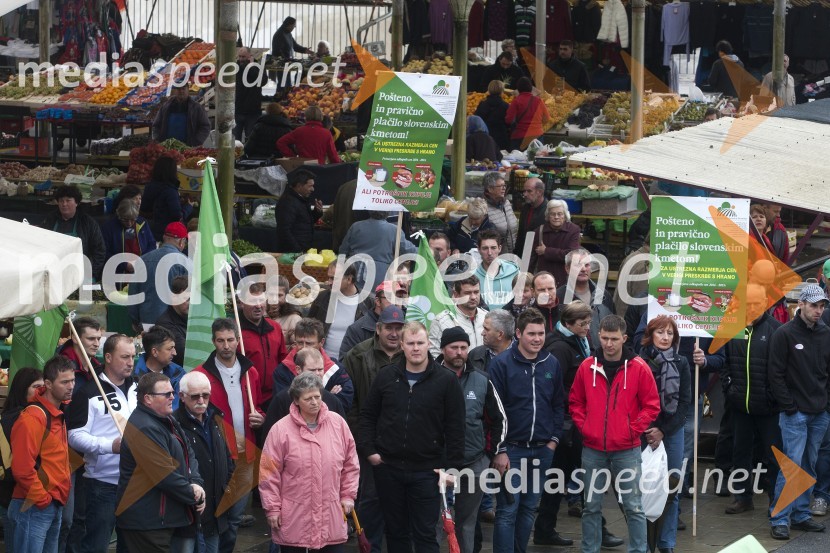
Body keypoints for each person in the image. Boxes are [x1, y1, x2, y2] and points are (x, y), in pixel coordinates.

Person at [358, 321, 465, 553]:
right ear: (402, 346)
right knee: (396, 533)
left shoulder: (446, 380)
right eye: (410, 343)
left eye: (420, 343)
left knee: (426, 534)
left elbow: (456, 428)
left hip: (428, 471)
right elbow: (367, 416)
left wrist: (451, 468)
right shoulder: (386, 376)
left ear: (429, 345)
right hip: (389, 468)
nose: (416, 348)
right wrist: (370, 451)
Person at [534, 301, 623, 548]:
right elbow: (553, 386)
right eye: (583, 324)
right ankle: (598, 531)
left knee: (559, 480)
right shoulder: (562, 348)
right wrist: (576, 404)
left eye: (588, 323)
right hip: (569, 424)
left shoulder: (577, 342)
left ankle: (544, 529)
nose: (587, 328)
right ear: (568, 324)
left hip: (574, 423)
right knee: (585, 478)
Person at [569, 315, 661, 553]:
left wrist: (632, 429)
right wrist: (586, 427)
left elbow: (651, 405)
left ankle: (639, 550)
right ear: (598, 336)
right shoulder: (586, 365)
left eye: (614, 339)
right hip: (593, 447)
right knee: (591, 505)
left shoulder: (639, 368)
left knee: (634, 506)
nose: (609, 344)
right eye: (605, 338)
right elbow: (575, 402)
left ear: (624, 338)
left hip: (626, 449)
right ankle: (590, 549)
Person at [488, 308, 565, 553]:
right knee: (508, 510)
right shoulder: (501, 365)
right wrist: (499, 450)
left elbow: (558, 404)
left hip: (543, 450)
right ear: (519, 333)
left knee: (529, 508)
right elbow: (492, 412)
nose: (537, 339)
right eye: (531, 333)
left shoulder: (550, 362)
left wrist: (553, 440)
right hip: (511, 451)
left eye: (541, 333)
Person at [260, 371, 359, 553]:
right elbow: (269, 473)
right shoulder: (280, 430)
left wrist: (347, 496)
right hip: (295, 518)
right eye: (308, 398)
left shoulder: (338, 424)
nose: (315, 402)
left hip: (331, 516)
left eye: (317, 396)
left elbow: (350, 465)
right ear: (296, 401)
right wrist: (272, 508)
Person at [193, 318, 265, 553]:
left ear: (238, 340)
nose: (226, 345)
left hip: (245, 455)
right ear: (213, 341)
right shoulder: (200, 375)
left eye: (230, 340)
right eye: (221, 340)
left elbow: (258, 406)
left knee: (234, 519)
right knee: (214, 516)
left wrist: (260, 417)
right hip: (217, 456)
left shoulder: (250, 371)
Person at [115, 372, 206, 552]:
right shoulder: (144, 427)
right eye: (166, 394)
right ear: (148, 398)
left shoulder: (167, 419)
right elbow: (164, 475)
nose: (172, 396)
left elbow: (189, 453)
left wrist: (196, 483)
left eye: (172, 392)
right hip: (146, 522)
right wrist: (193, 496)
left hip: (164, 519)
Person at [768, 284, 830, 540]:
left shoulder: (826, 334)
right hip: (795, 413)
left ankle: (801, 514)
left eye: (822, 306)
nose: (818, 310)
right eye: (814, 305)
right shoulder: (784, 334)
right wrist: (789, 407)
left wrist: (826, 405)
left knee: (808, 465)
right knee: (791, 466)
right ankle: (780, 517)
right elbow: (775, 374)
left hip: (819, 411)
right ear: (801, 304)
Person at [65, 334, 138, 553]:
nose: (130, 362)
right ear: (108, 357)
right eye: (124, 357)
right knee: (96, 544)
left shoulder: (138, 388)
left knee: (132, 545)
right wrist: (110, 446)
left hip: (135, 482)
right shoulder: (88, 392)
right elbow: (74, 435)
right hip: (102, 484)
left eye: (133, 356)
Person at [437, 327, 506, 553]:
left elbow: (499, 419)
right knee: (437, 522)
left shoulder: (481, 380)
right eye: (453, 347)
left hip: (473, 462)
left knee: (467, 523)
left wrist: (490, 453)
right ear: (442, 348)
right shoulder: (429, 377)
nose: (459, 352)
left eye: (463, 347)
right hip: (436, 464)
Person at [719, 283, 782, 515]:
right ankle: (742, 497)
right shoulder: (733, 328)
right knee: (740, 453)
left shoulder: (776, 330)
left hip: (768, 408)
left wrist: (772, 397)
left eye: (757, 304)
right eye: (748, 304)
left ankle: (776, 501)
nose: (753, 308)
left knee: (774, 456)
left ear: (765, 304)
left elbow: (782, 369)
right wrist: (730, 389)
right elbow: (724, 362)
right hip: (740, 405)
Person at [8, 356, 74, 553]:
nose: (71, 386)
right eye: (64, 382)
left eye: (72, 380)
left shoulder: (56, 410)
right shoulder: (32, 417)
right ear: (48, 384)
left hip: (49, 503)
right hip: (35, 505)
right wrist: (43, 499)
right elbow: (22, 469)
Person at [638, 316, 691, 553]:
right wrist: (650, 430)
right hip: (644, 431)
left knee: (672, 486)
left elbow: (684, 403)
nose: (666, 337)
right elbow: (635, 401)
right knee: (645, 487)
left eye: (670, 333)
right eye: (660, 332)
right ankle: (644, 542)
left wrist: (663, 430)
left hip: (672, 430)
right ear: (651, 334)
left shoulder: (681, 362)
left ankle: (666, 543)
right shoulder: (639, 361)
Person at [174, 371, 234, 553]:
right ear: (182, 397)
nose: (201, 400)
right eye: (195, 396)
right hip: (188, 513)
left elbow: (227, 457)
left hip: (215, 510)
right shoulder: (173, 425)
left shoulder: (216, 419)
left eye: (205, 395)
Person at [272, 318, 354, 413]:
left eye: (309, 343)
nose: (304, 347)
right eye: (299, 343)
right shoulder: (283, 370)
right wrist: (330, 397)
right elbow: (283, 405)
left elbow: (345, 402)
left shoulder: (336, 369)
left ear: (321, 342)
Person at [0, 368, 44, 543]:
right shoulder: (20, 419)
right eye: (36, 386)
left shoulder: (37, 415)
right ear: (22, 389)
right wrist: (43, 497)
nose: (41, 390)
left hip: (25, 495)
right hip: (17, 496)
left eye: (43, 386)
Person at [264, 347, 346, 434]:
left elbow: (345, 438)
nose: (317, 374)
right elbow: (270, 439)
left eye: (320, 369)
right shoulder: (282, 400)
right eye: (312, 370)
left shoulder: (333, 401)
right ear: (298, 370)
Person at [42, 185, 106, 282]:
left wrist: (91, 273)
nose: (64, 204)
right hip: (55, 274)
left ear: (76, 202)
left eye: (68, 200)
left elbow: (99, 250)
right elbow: (43, 246)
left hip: (81, 274)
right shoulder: (50, 220)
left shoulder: (88, 222)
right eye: (61, 201)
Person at [339, 211, 418, 290]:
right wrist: (425, 249)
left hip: (354, 270)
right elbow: (408, 250)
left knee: (352, 298)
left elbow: (343, 251)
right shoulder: (394, 230)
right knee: (376, 299)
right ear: (388, 213)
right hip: (379, 273)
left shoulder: (356, 226)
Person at [239, 288, 287, 411]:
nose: (258, 306)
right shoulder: (235, 331)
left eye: (261, 300)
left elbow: (283, 360)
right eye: (252, 301)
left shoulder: (275, 327)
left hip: (274, 395)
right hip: (247, 396)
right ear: (241, 303)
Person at [556, 248, 615, 346]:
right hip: (573, 356)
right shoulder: (559, 297)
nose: (583, 269)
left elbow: (613, 326)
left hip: (601, 356)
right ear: (567, 268)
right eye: (578, 265)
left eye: (587, 265)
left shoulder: (604, 295)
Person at [308, 263, 362, 360]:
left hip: (352, 365)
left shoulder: (367, 303)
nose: (329, 282)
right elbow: (309, 327)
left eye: (334, 279)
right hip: (321, 363)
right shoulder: (322, 298)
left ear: (349, 279)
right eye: (329, 278)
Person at [339, 281, 402, 360]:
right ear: (378, 301)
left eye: (399, 297)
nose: (396, 302)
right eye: (390, 298)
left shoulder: (407, 328)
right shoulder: (357, 329)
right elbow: (345, 364)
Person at [428, 276, 487, 357]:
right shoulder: (441, 321)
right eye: (467, 293)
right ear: (456, 294)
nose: (473, 297)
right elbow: (434, 356)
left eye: (476, 292)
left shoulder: (487, 317)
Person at [134, 325, 187, 411]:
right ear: (154, 352)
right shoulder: (135, 377)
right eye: (170, 349)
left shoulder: (179, 373)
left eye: (174, 348)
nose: (175, 353)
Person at [140, 156, 193, 241]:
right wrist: (189, 207)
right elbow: (177, 216)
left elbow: (145, 207)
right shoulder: (170, 190)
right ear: (172, 172)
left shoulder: (149, 187)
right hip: (166, 233)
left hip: (148, 231)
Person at [530, 200, 581, 286]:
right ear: (548, 216)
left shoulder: (573, 230)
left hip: (565, 280)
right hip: (544, 280)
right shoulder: (539, 231)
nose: (556, 217)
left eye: (560, 214)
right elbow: (532, 259)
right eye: (552, 214)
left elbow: (572, 256)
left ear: (565, 215)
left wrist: (546, 251)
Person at [101, 196, 157, 274]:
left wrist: (143, 260)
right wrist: (124, 265)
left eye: (133, 219)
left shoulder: (142, 223)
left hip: (141, 268)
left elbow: (152, 244)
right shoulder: (109, 228)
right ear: (118, 215)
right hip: (117, 272)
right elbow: (104, 252)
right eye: (125, 220)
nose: (129, 223)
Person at [275, 169, 323, 253]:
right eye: (310, 186)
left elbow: (304, 222)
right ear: (299, 186)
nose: (313, 189)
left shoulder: (302, 199)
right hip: (293, 254)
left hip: (303, 249)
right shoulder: (287, 202)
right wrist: (298, 251)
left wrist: (317, 212)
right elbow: (284, 230)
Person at [152, 81, 211, 146]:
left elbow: (205, 126)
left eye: (183, 89)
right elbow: (156, 125)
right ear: (175, 91)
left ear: (188, 90)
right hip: (167, 148)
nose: (181, 91)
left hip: (189, 149)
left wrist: (196, 141)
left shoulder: (196, 108)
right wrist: (157, 140)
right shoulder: (165, 107)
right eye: (178, 89)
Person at [277, 105, 342, 164]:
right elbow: (333, 155)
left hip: (303, 167)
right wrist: (339, 163)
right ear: (321, 117)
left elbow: (280, 142)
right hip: (320, 167)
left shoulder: (299, 131)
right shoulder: (326, 133)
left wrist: (292, 156)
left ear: (306, 116)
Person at [475, 229, 519, 310]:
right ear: (478, 250)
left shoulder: (513, 271)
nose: (489, 253)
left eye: (493, 248)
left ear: (499, 248)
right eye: (485, 248)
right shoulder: (473, 275)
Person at [505, 77, 550, 151]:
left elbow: (508, 120)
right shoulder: (539, 101)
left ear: (518, 89)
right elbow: (547, 118)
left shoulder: (516, 101)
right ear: (531, 88)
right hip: (537, 136)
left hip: (520, 137)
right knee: (536, 159)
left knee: (518, 160)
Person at [154, 275, 190, 367]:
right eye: (187, 299)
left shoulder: (191, 318)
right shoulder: (165, 324)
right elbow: (184, 354)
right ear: (174, 298)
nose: (191, 303)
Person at [467, 309, 514, 374]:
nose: (482, 333)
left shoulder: (523, 355)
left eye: (486, 329)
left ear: (500, 334)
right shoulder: (474, 355)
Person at [481, 171, 518, 253]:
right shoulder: (483, 207)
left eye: (504, 185)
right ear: (490, 189)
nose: (504, 188)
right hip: (496, 256)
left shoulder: (507, 203)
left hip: (513, 254)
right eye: (500, 186)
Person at [235, 47, 265, 142]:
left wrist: (251, 66)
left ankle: (247, 156)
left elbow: (262, 81)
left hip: (253, 111)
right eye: (240, 56)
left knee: (251, 139)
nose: (241, 59)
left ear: (250, 56)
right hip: (238, 109)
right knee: (235, 140)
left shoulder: (257, 66)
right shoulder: (236, 67)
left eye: (243, 57)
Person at [266, 276, 303, 347]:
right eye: (271, 294)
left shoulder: (294, 319)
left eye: (279, 295)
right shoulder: (260, 314)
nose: (274, 299)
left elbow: (298, 346)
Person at [514, 177, 547, 256]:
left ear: (539, 192)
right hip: (523, 254)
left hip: (539, 257)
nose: (524, 194)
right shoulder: (525, 208)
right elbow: (521, 234)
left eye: (529, 191)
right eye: (524, 191)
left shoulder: (548, 211)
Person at [475, 80, 511, 151]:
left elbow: (477, 120)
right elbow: (509, 122)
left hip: (485, 139)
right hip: (502, 139)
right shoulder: (506, 106)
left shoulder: (482, 105)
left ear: (489, 90)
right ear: (502, 91)